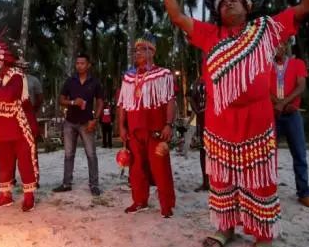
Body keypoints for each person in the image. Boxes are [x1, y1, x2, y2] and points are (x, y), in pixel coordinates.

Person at [153, 0, 309, 247]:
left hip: (257, 119)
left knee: (260, 179)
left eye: (235, 0)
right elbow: (178, 17)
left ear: (248, 5)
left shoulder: (268, 30)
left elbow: (307, 6)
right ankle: (226, 228)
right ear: (217, 10)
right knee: (223, 178)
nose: (229, 3)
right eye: (223, 1)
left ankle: (263, 236)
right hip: (220, 122)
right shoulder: (210, 35)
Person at [117, 33, 177, 218]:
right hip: (134, 132)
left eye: (142, 49)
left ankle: (167, 205)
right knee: (136, 170)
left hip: (156, 131)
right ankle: (139, 201)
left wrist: (168, 124)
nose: (138, 54)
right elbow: (123, 104)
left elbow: (170, 101)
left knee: (161, 169)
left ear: (152, 51)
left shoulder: (163, 74)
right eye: (136, 50)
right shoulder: (128, 77)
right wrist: (122, 126)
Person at [0, 37, 38, 212]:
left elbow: (8, 96)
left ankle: (29, 196)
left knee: (25, 162)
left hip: (19, 127)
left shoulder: (16, 76)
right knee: (3, 163)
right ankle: (5, 195)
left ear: (0, 60)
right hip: (1, 129)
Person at [271, 40, 309, 209]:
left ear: (285, 46)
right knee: (268, 155)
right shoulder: (265, 66)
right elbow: (263, 87)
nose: (278, 48)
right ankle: (268, 192)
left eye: (280, 44)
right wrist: (277, 104)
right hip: (272, 116)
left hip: (292, 115)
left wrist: (282, 103)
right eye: (274, 45)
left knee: (299, 154)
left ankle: (304, 193)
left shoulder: (297, 63)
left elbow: (301, 86)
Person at [53, 53, 104, 196]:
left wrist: (95, 119)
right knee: (69, 154)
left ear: (88, 65)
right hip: (70, 122)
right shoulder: (70, 81)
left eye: (82, 63)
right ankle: (66, 183)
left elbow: (100, 101)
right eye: (77, 63)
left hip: (87, 122)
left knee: (91, 155)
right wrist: (72, 102)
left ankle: (94, 185)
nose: (79, 65)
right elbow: (61, 99)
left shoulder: (95, 82)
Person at [188, 75, 209, 192]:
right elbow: (190, 98)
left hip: (216, 121)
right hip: (203, 120)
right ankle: (206, 182)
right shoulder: (197, 81)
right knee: (203, 151)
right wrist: (198, 111)